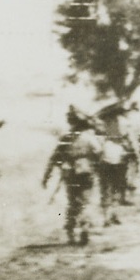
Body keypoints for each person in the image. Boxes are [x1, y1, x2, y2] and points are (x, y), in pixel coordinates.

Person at [42, 105, 102, 245]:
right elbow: (99, 154)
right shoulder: (89, 138)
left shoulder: (66, 138)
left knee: (72, 202)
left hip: (69, 174)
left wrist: (47, 176)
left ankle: (71, 232)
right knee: (85, 202)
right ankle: (84, 228)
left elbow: (54, 158)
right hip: (86, 173)